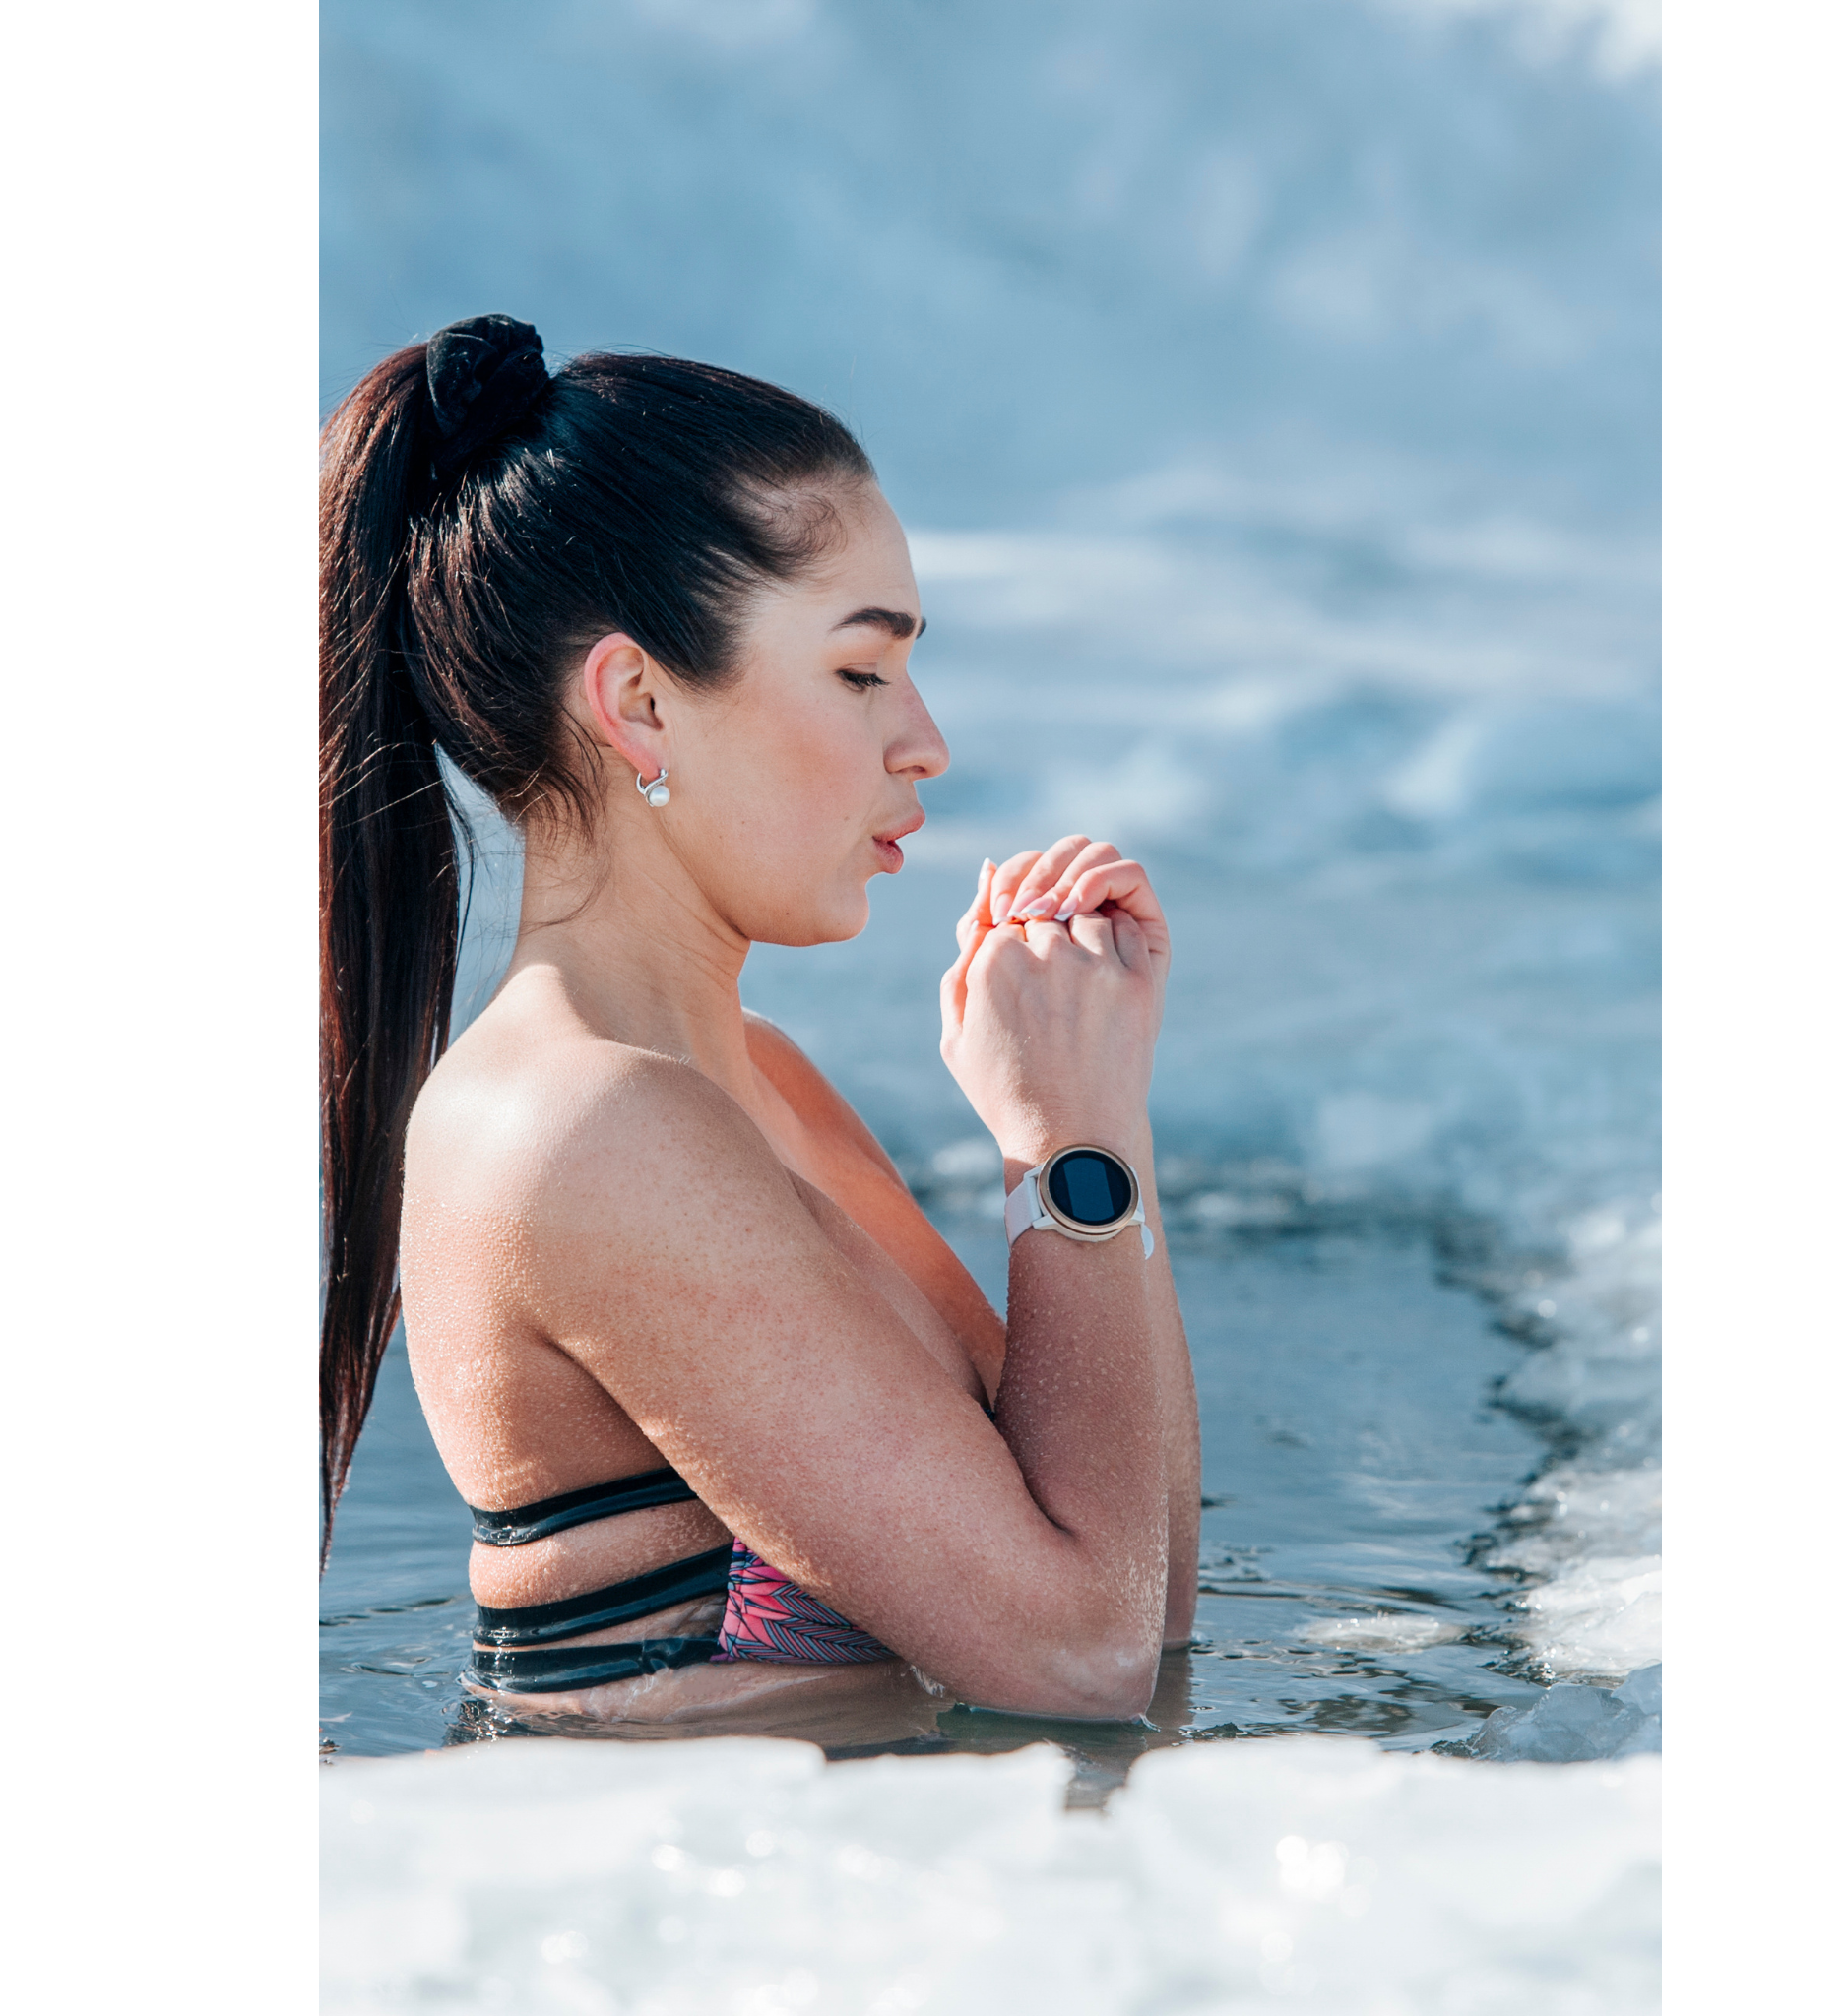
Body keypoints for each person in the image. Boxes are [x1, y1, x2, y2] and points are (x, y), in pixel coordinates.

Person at [320, 314, 1199, 1734]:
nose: (926, 740)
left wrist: (1101, 1128)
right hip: (690, 1943)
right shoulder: (579, 1126)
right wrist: (1065, 1150)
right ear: (640, 702)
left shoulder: (752, 1080)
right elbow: (1080, 1657)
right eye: (861, 671)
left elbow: (1145, 1600)